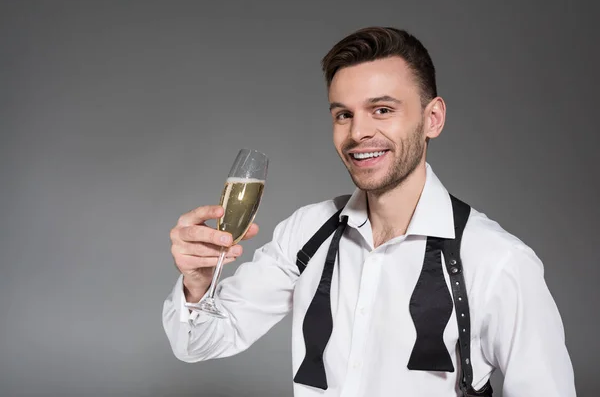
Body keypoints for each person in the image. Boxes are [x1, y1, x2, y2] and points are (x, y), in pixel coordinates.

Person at [162, 27, 576, 396]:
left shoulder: (499, 262)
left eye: (381, 110)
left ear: (432, 119)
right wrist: (198, 283)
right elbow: (200, 342)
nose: (358, 132)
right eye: (344, 114)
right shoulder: (306, 232)